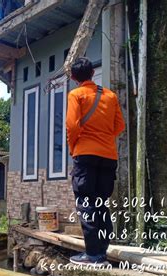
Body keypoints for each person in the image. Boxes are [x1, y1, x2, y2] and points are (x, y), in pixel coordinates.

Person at [66, 57, 125, 265]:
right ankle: (101, 251)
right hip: (108, 157)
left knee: (85, 202)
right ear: (92, 74)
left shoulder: (76, 94)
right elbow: (119, 127)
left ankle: (93, 255)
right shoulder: (110, 96)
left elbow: (72, 127)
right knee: (100, 203)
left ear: (73, 77)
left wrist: (74, 147)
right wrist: (103, 135)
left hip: (85, 155)